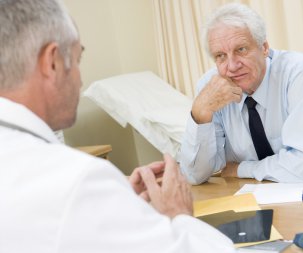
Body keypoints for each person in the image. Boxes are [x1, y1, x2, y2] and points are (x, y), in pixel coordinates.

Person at [0, 0, 236, 252]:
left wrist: (119, 204)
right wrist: (180, 216)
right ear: (53, 62)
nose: (80, 80)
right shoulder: (78, 180)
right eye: (78, 60)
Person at [180, 3, 303, 185]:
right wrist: (200, 112)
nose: (232, 66)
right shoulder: (210, 88)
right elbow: (195, 176)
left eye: (241, 50)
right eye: (221, 56)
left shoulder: (296, 71)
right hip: (251, 196)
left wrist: (241, 169)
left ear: (264, 47)